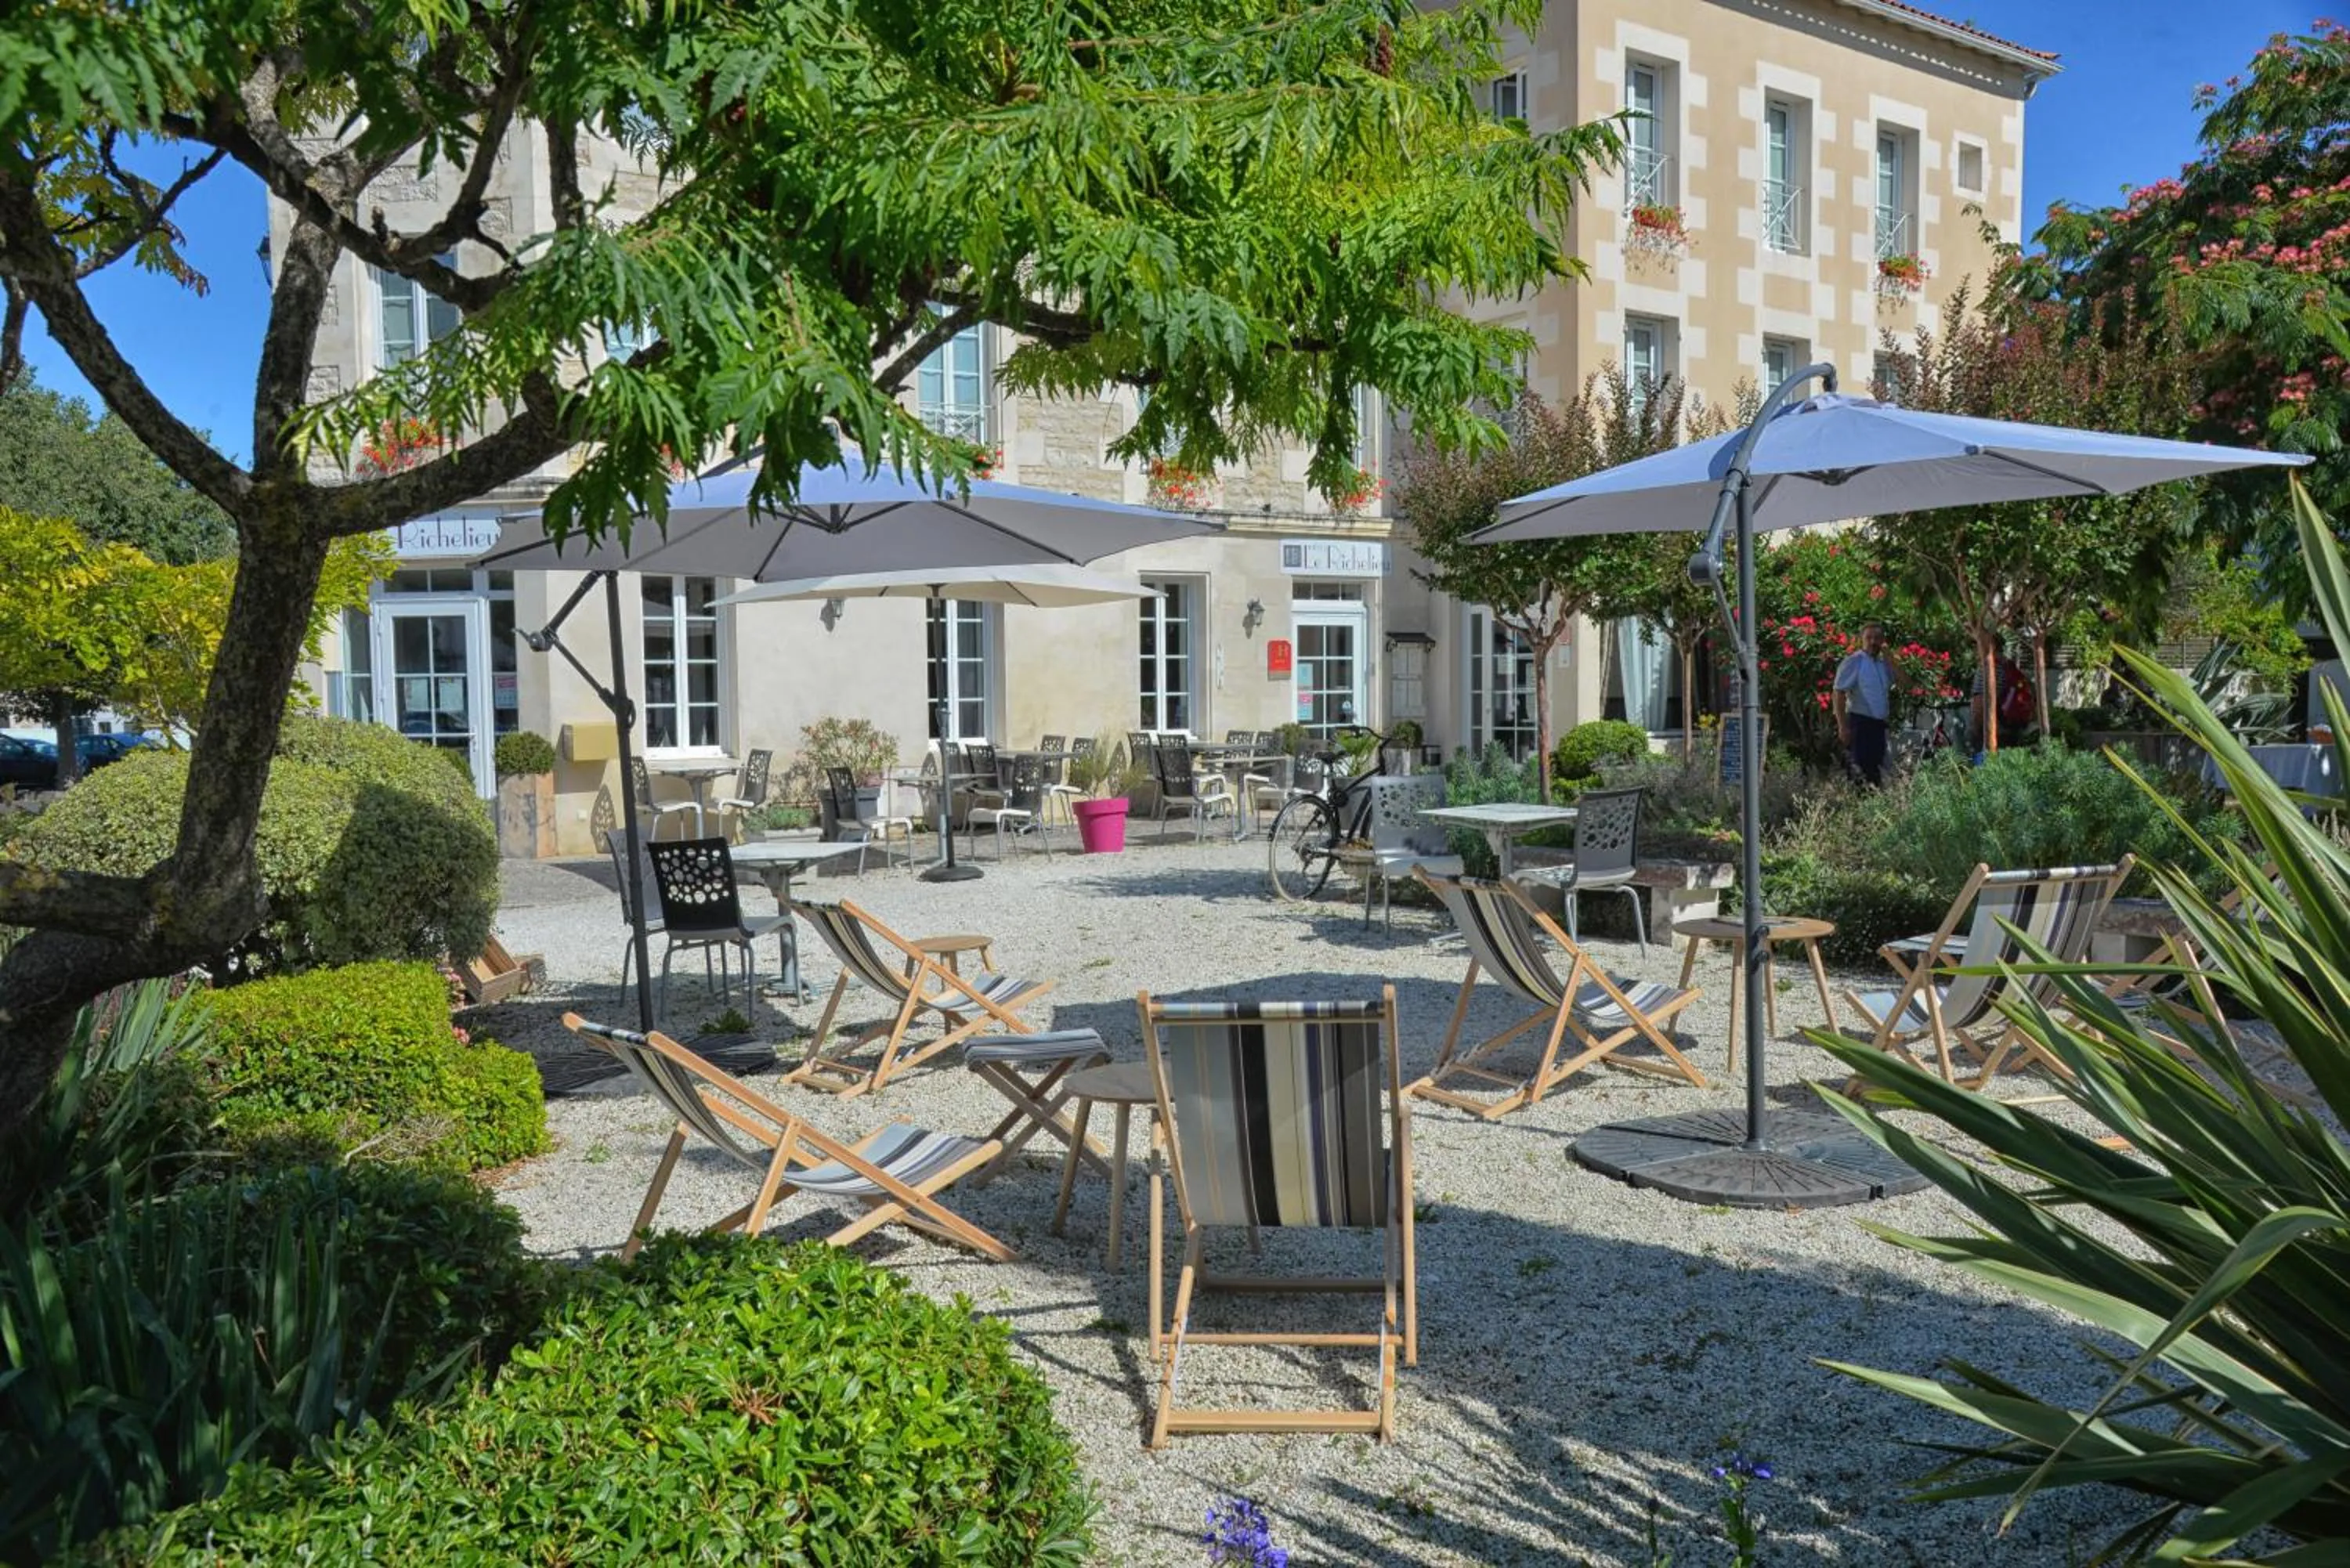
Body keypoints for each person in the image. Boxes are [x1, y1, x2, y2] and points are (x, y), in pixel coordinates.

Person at [1831, 622, 1894, 786]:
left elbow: (1906, 684)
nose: (1873, 642)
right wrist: (1842, 727)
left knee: (1876, 774)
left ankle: (1874, 802)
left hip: (1879, 726)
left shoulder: (1883, 664)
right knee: (1861, 773)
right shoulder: (1854, 661)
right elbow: (1838, 693)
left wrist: (1891, 658)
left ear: (1883, 641)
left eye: (1877, 638)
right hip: (1861, 724)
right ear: (1862, 640)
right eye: (1869, 638)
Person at [1972, 642, 2034, 755]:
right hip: (2009, 726)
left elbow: (1980, 703)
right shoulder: (2006, 665)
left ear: (1991, 645)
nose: (1975, 651)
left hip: (1993, 731)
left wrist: (1976, 731)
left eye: (1976, 645)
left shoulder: (1989, 669)